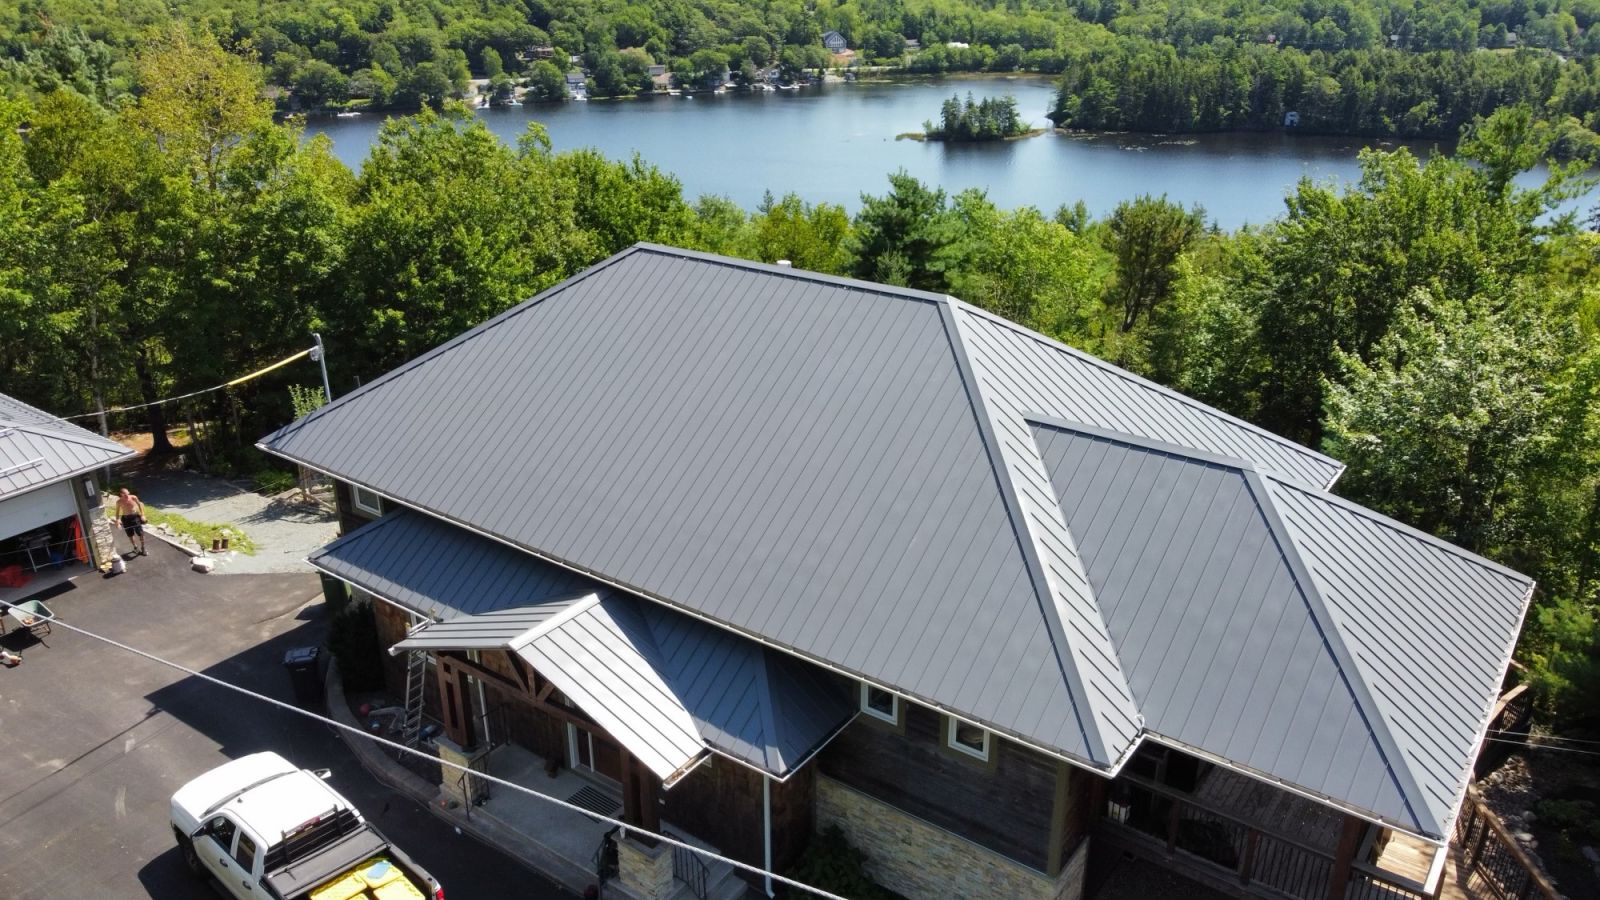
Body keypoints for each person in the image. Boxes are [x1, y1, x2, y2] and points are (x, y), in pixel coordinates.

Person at [115, 488, 147, 556]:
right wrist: (117, 521)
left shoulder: (133, 497)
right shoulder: (119, 502)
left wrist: (143, 515)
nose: (126, 496)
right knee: (130, 535)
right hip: (126, 519)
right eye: (124, 495)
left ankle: (143, 548)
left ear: (128, 492)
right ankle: (135, 547)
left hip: (135, 517)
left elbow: (140, 505)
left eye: (127, 494)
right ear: (121, 495)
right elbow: (117, 512)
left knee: (141, 533)